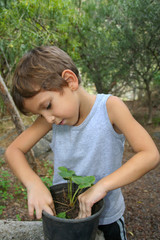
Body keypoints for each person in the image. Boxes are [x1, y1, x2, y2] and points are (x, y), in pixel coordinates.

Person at [5, 46, 159, 240]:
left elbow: (150, 154)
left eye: (47, 106)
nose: (48, 118)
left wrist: (101, 186)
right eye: (40, 114)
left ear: (70, 81)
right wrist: (33, 184)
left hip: (108, 217)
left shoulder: (110, 108)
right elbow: (13, 151)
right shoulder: (51, 119)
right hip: (66, 215)